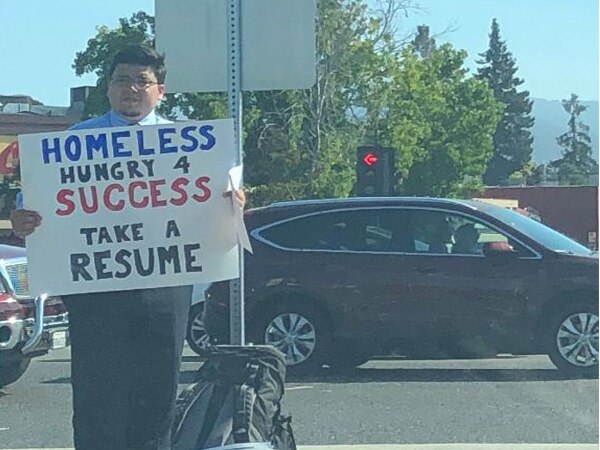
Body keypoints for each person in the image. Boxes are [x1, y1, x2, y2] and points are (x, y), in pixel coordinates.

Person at [11, 44, 245, 450]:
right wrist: (22, 219)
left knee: (156, 400)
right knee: (96, 399)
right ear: (108, 87)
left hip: (163, 292)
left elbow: (219, 205)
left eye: (142, 81)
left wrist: (233, 205)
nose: (132, 89)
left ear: (161, 91)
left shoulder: (189, 143)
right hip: (95, 293)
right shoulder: (74, 143)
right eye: (123, 80)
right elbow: (29, 208)